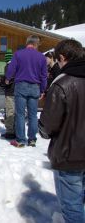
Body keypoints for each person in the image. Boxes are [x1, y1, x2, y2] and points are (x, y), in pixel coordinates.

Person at [39, 39, 85, 223]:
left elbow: (49, 124)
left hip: (69, 155)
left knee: (72, 207)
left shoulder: (61, 84)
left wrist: (42, 129)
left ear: (62, 58)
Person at [5, 35, 47, 147]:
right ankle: (32, 139)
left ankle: (21, 140)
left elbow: (11, 68)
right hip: (35, 87)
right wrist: (43, 89)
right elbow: (44, 75)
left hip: (21, 86)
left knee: (20, 114)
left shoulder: (18, 54)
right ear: (36, 44)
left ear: (27, 43)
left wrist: (8, 78)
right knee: (33, 115)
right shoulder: (41, 57)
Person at [0, 49, 15, 139]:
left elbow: (7, 80)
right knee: (15, 112)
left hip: (10, 92)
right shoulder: (17, 66)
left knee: (10, 111)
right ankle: (15, 130)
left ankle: (10, 132)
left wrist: (1, 81)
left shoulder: (9, 66)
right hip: (17, 92)